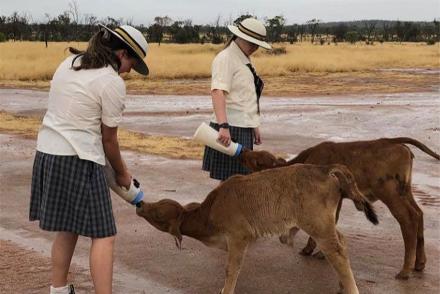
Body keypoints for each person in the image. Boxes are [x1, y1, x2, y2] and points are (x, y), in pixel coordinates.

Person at [29, 24, 149, 294]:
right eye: (132, 61)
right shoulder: (111, 82)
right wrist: (123, 174)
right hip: (79, 159)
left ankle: (58, 290)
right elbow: (109, 141)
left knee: (67, 227)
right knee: (104, 235)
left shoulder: (68, 63)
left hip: (47, 153)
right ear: (120, 53)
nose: (130, 70)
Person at [202, 17, 272, 181]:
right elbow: (218, 91)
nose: (254, 47)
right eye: (251, 43)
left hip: (242, 127)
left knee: (239, 183)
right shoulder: (226, 58)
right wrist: (223, 126)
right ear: (239, 37)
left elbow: (246, 96)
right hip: (230, 128)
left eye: (257, 44)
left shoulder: (244, 59)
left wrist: (254, 125)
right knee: (231, 183)